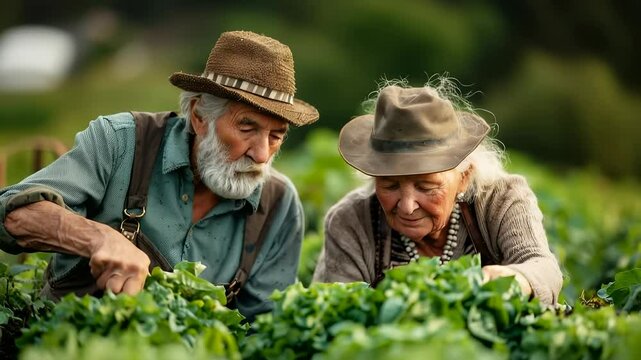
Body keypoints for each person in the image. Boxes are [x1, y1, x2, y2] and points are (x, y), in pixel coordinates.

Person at [0, 30, 319, 320]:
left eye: (276, 136)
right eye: (247, 128)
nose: (262, 154)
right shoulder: (120, 143)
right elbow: (12, 214)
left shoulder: (278, 204)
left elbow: (265, 329)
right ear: (199, 117)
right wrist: (99, 238)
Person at [312, 80, 562, 304]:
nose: (407, 206)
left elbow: (543, 267)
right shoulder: (351, 221)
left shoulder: (503, 200)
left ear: (464, 177)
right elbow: (338, 309)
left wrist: (516, 277)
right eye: (390, 185)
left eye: (426, 187)